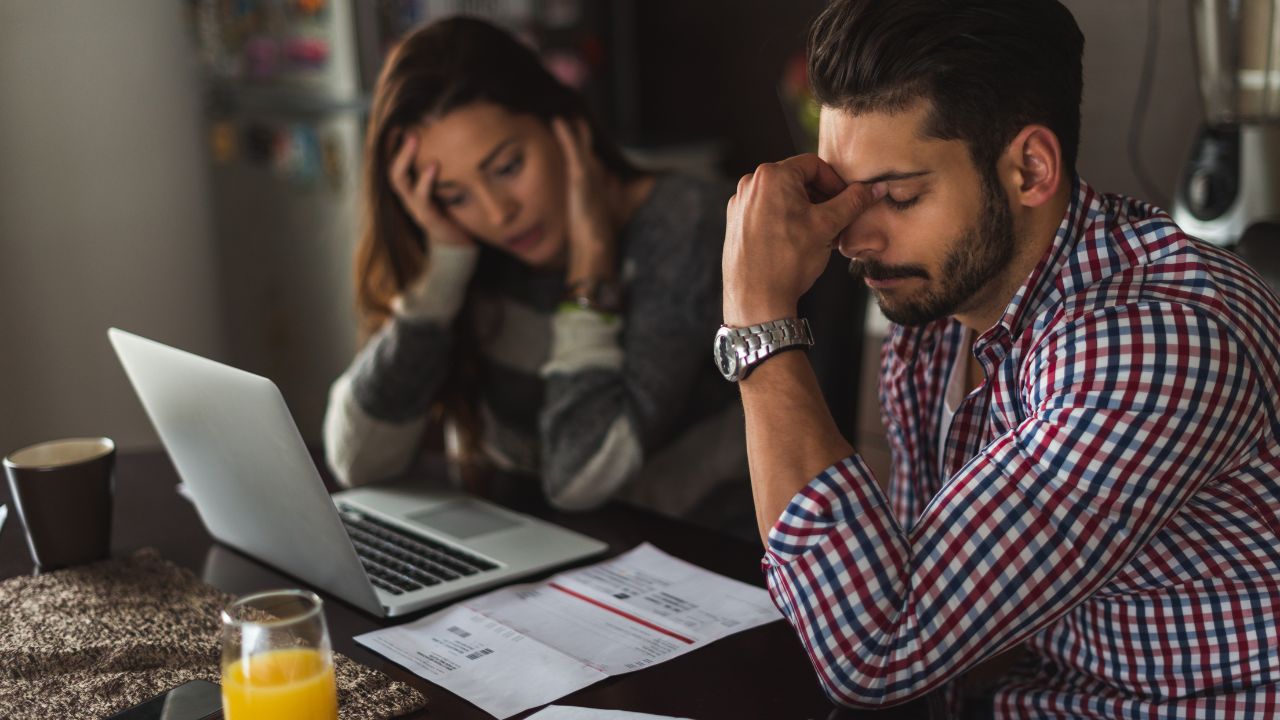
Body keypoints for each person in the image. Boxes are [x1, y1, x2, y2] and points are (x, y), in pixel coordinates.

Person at [717, 0, 1280, 716]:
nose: (855, 238)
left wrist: (759, 322)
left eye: (896, 195)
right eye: (841, 196)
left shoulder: (1155, 340)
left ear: (1030, 168)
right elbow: (915, 615)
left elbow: (878, 647)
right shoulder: (935, 313)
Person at [324, 17, 743, 518]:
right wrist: (443, 273)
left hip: (684, 558)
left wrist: (591, 271)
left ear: (564, 124)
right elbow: (357, 461)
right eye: (454, 195)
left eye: (506, 168)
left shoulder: (683, 223)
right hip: (531, 548)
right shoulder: (474, 248)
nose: (498, 213)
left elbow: (580, 480)